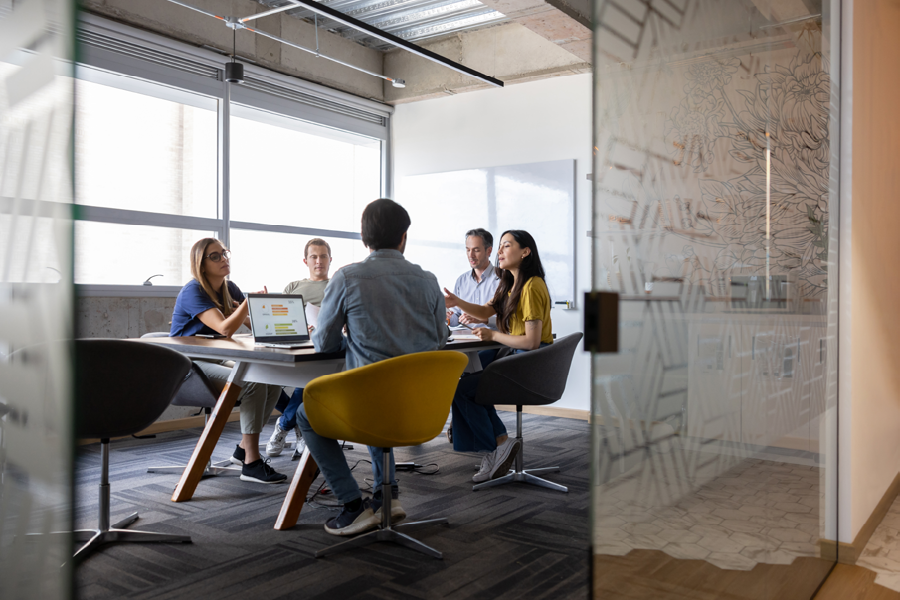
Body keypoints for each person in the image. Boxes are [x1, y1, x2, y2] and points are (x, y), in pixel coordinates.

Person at [295, 199, 448, 536]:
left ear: (364, 238)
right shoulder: (429, 279)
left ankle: (352, 505)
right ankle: (386, 497)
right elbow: (441, 339)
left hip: (371, 407)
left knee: (306, 414)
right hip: (421, 406)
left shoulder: (347, 277)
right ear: (404, 237)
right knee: (382, 394)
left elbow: (324, 344)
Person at [170, 238, 287, 485]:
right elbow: (224, 329)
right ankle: (252, 463)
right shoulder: (194, 291)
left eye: (224, 253)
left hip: (217, 357)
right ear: (201, 265)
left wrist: (266, 317)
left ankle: (244, 449)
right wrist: (246, 304)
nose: (224, 259)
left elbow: (254, 326)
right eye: (215, 256)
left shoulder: (229, 287)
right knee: (253, 381)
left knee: (269, 375)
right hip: (187, 365)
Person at [443, 230, 553, 483]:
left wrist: (492, 337)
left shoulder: (532, 286)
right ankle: (500, 443)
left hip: (528, 362)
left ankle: (497, 446)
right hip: (514, 356)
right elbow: (484, 310)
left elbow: (531, 341)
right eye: (500, 247)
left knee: (463, 389)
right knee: (465, 385)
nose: (500, 252)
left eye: (506, 246)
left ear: (525, 252)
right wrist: (456, 301)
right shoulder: (509, 284)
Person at [266, 238, 333, 458]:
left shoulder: (336, 286)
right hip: (294, 344)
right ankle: (298, 424)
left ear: (330, 259)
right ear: (306, 260)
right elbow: (282, 321)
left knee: (307, 382)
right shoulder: (293, 287)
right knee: (263, 377)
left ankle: (283, 426)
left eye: (323, 256)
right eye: (314, 256)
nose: (319, 261)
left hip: (323, 351)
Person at [447, 228, 501, 330]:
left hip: (494, 340)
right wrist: (446, 317)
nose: (471, 255)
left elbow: (511, 321)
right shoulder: (461, 281)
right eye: (468, 250)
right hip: (468, 341)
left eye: (476, 250)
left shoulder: (502, 279)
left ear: (489, 251)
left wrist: (484, 319)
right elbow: (456, 318)